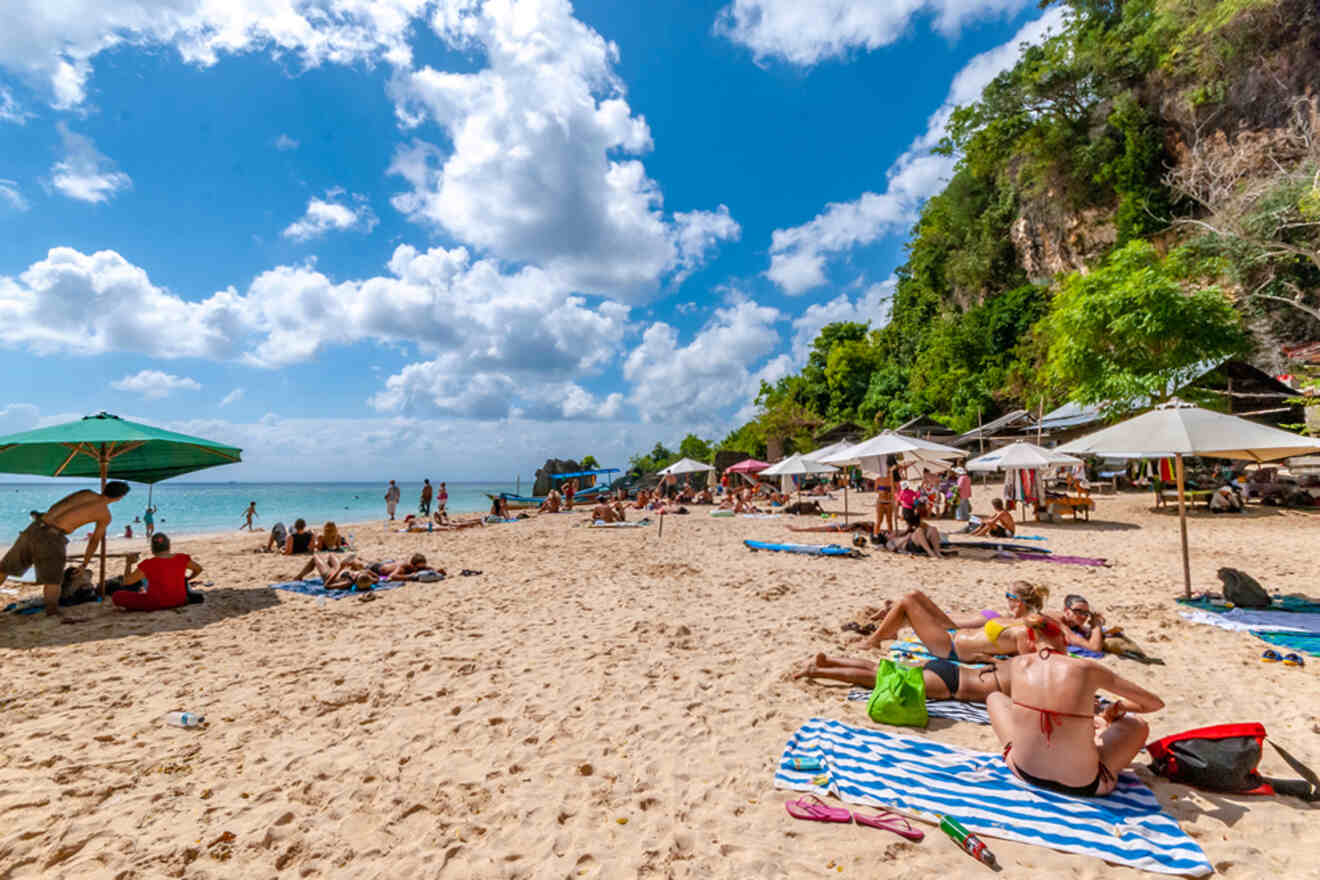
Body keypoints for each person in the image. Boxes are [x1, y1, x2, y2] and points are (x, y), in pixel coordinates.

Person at [988, 649, 1163, 797]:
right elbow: (1154, 704)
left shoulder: (1018, 663)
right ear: (1064, 641)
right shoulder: (1086, 669)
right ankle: (1100, 723)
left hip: (1022, 770)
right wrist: (1115, 707)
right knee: (1137, 725)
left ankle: (1019, 747)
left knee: (995, 698)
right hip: (1083, 785)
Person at [1, 481, 131, 616]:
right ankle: (52, 612)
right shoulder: (104, 515)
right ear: (119, 498)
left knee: (4, 568)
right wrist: (84, 564)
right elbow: (94, 541)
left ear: (105, 488)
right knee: (53, 580)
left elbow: (56, 506)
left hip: (36, 527)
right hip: (53, 537)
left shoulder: (86, 493)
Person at [860, 589, 1067, 662]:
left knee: (907, 601)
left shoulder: (1024, 636)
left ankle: (874, 640)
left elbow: (1023, 666)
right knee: (914, 595)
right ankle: (885, 633)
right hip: (954, 632)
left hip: (950, 648)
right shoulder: (1020, 622)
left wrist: (991, 661)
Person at [795, 652, 1017, 702]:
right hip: (951, 684)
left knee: (879, 667)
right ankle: (818, 671)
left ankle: (831, 661)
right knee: (877, 679)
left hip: (950, 668)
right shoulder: (1022, 685)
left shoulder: (1017, 663)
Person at [112, 533, 202, 612]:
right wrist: (188, 578)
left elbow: (126, 581)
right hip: (180, 600)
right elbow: (198, 569)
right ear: (169, 545)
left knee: (117, 596)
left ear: (152, 549)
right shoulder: (182, 558)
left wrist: (128, 564)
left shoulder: (148, 564)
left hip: (156, 602)